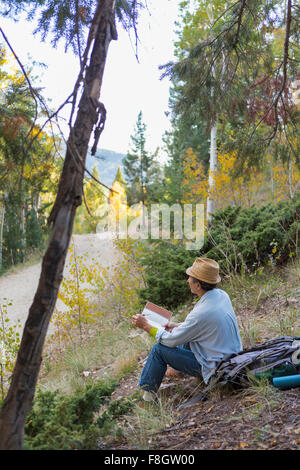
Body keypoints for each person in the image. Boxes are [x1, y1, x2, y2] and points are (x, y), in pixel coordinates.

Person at [131, 257, 242, 403]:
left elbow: (170, 341)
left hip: (216, 369)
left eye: (190, 277)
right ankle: (176, 371)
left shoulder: (201, 312)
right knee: (181, 337)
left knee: (159, 350)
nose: (187, 280)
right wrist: (176, 326)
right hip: (233, 358)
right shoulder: (222, 296)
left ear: (198, 285)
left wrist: (146, 326)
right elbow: (204, 326)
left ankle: (148, 399)